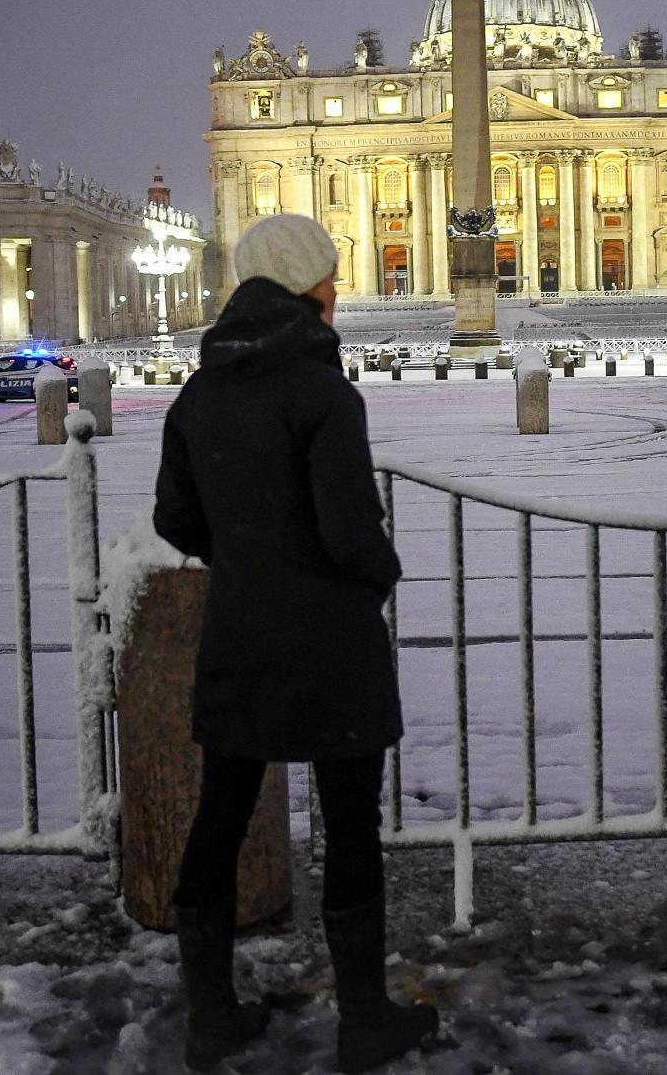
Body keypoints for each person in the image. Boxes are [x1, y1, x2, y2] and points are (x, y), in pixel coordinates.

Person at [153, 213, 437, 1073]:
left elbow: (174, 515)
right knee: (349, 827)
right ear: (306, 288)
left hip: (241, 633)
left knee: (220, 815)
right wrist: (380, 570)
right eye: (331, 276)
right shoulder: (322, 392)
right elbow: (350, 531)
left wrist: (242, 557)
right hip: (330, 646)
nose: (339, 290)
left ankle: (210, 1018)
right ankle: (362, 1019)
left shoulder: (200, 392)